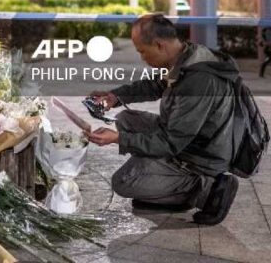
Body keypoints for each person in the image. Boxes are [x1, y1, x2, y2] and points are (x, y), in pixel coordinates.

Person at [85, 14, 240, 225]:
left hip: (200, 157)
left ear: (159, 45)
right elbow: (155, 85)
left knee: (123, 181)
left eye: (142, 52)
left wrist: (119, 139)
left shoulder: (198, 81)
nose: (142, 58)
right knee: (126, 119)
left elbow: (170, 142)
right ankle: (161, 176)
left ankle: (207, 188)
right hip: (185, 138)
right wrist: (115, 97)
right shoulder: (185, 55)